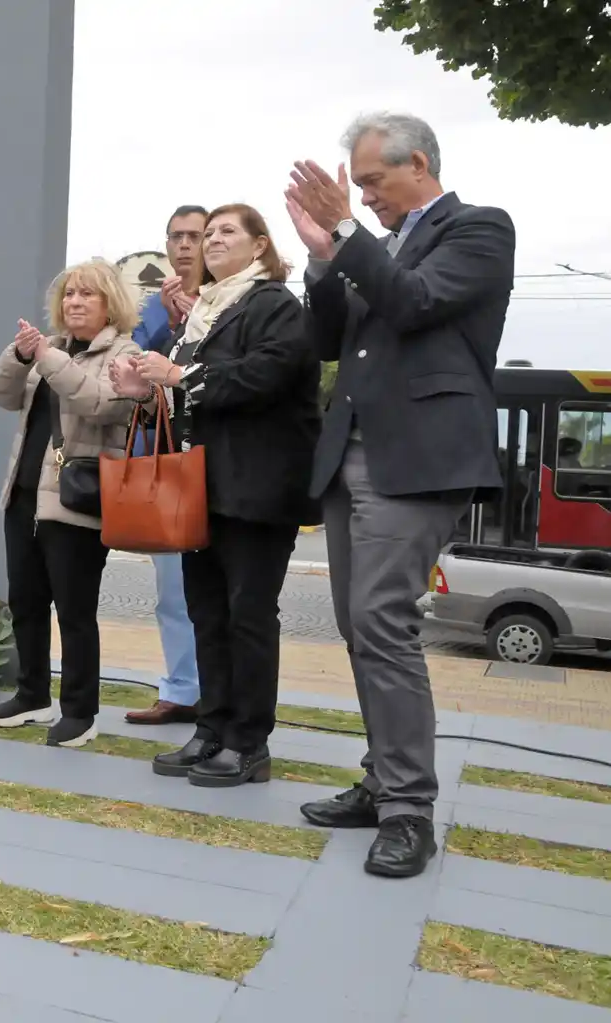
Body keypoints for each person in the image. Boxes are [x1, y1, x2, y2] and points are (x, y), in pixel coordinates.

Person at [286, 112, 514, 877]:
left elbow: (414, 303)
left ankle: (409, 810)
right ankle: (384, 778)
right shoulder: (370, 249)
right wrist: (323, 259)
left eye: (375, 181)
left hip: (416, 461)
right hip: (348, 455)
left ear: (418, 163)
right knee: (361, 626)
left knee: (381, 620)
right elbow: (327, 339)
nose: (367, 195)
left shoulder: (479, 229)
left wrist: (346, 232)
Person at [113, 205, 321, 786]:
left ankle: (249, 744)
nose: (212, 240)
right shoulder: (201, 315)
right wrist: (144, 391)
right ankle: (211, 730)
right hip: (203, 488)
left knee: (249, 616)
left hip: (258, 489)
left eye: (226, 231)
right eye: (208, 234)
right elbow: (192, 403)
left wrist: (178, 377)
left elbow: (266, 378)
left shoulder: (274, 304)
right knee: (206, 612)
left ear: (259, 246)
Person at [0, 259, 148, 748]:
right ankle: (31, 695)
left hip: (78, 500)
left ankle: (81, 711)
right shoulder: (47, 347)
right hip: (24, 493)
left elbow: (99, 404)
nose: (74, 302)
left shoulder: (126, 351)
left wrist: (47, 361)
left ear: (110, 302)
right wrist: (19, 353)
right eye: (70, 294)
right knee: (26, 603)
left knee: (75, 611)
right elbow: (1, 395)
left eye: (87, 295)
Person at [125, 204, 208, 726]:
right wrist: (163, 320)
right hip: (170, 469)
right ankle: (181, 689)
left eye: (194, 235)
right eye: (175, 236)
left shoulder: (235, 302)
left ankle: (223, 696)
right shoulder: (153, 310)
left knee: (229, 595)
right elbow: (129, 364)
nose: (184, 245)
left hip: (225, 460)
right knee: (174, 588)